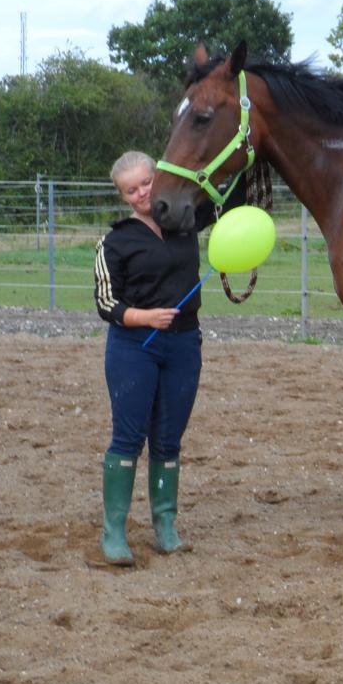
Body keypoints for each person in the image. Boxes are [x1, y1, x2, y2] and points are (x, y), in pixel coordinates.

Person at [93, 151, 209, 565]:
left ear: (157, 178)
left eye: (146, 182)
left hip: (184, 345)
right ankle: (114, 535)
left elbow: (226, 194)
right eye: (132, 189)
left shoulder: (185, 219)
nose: (142, 193)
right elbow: (106, 302)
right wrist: (146, 318)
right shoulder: (115, 241)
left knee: (168, 439)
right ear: (123, 196)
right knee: (128, 437)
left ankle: (165, 528)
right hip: (133, 348)